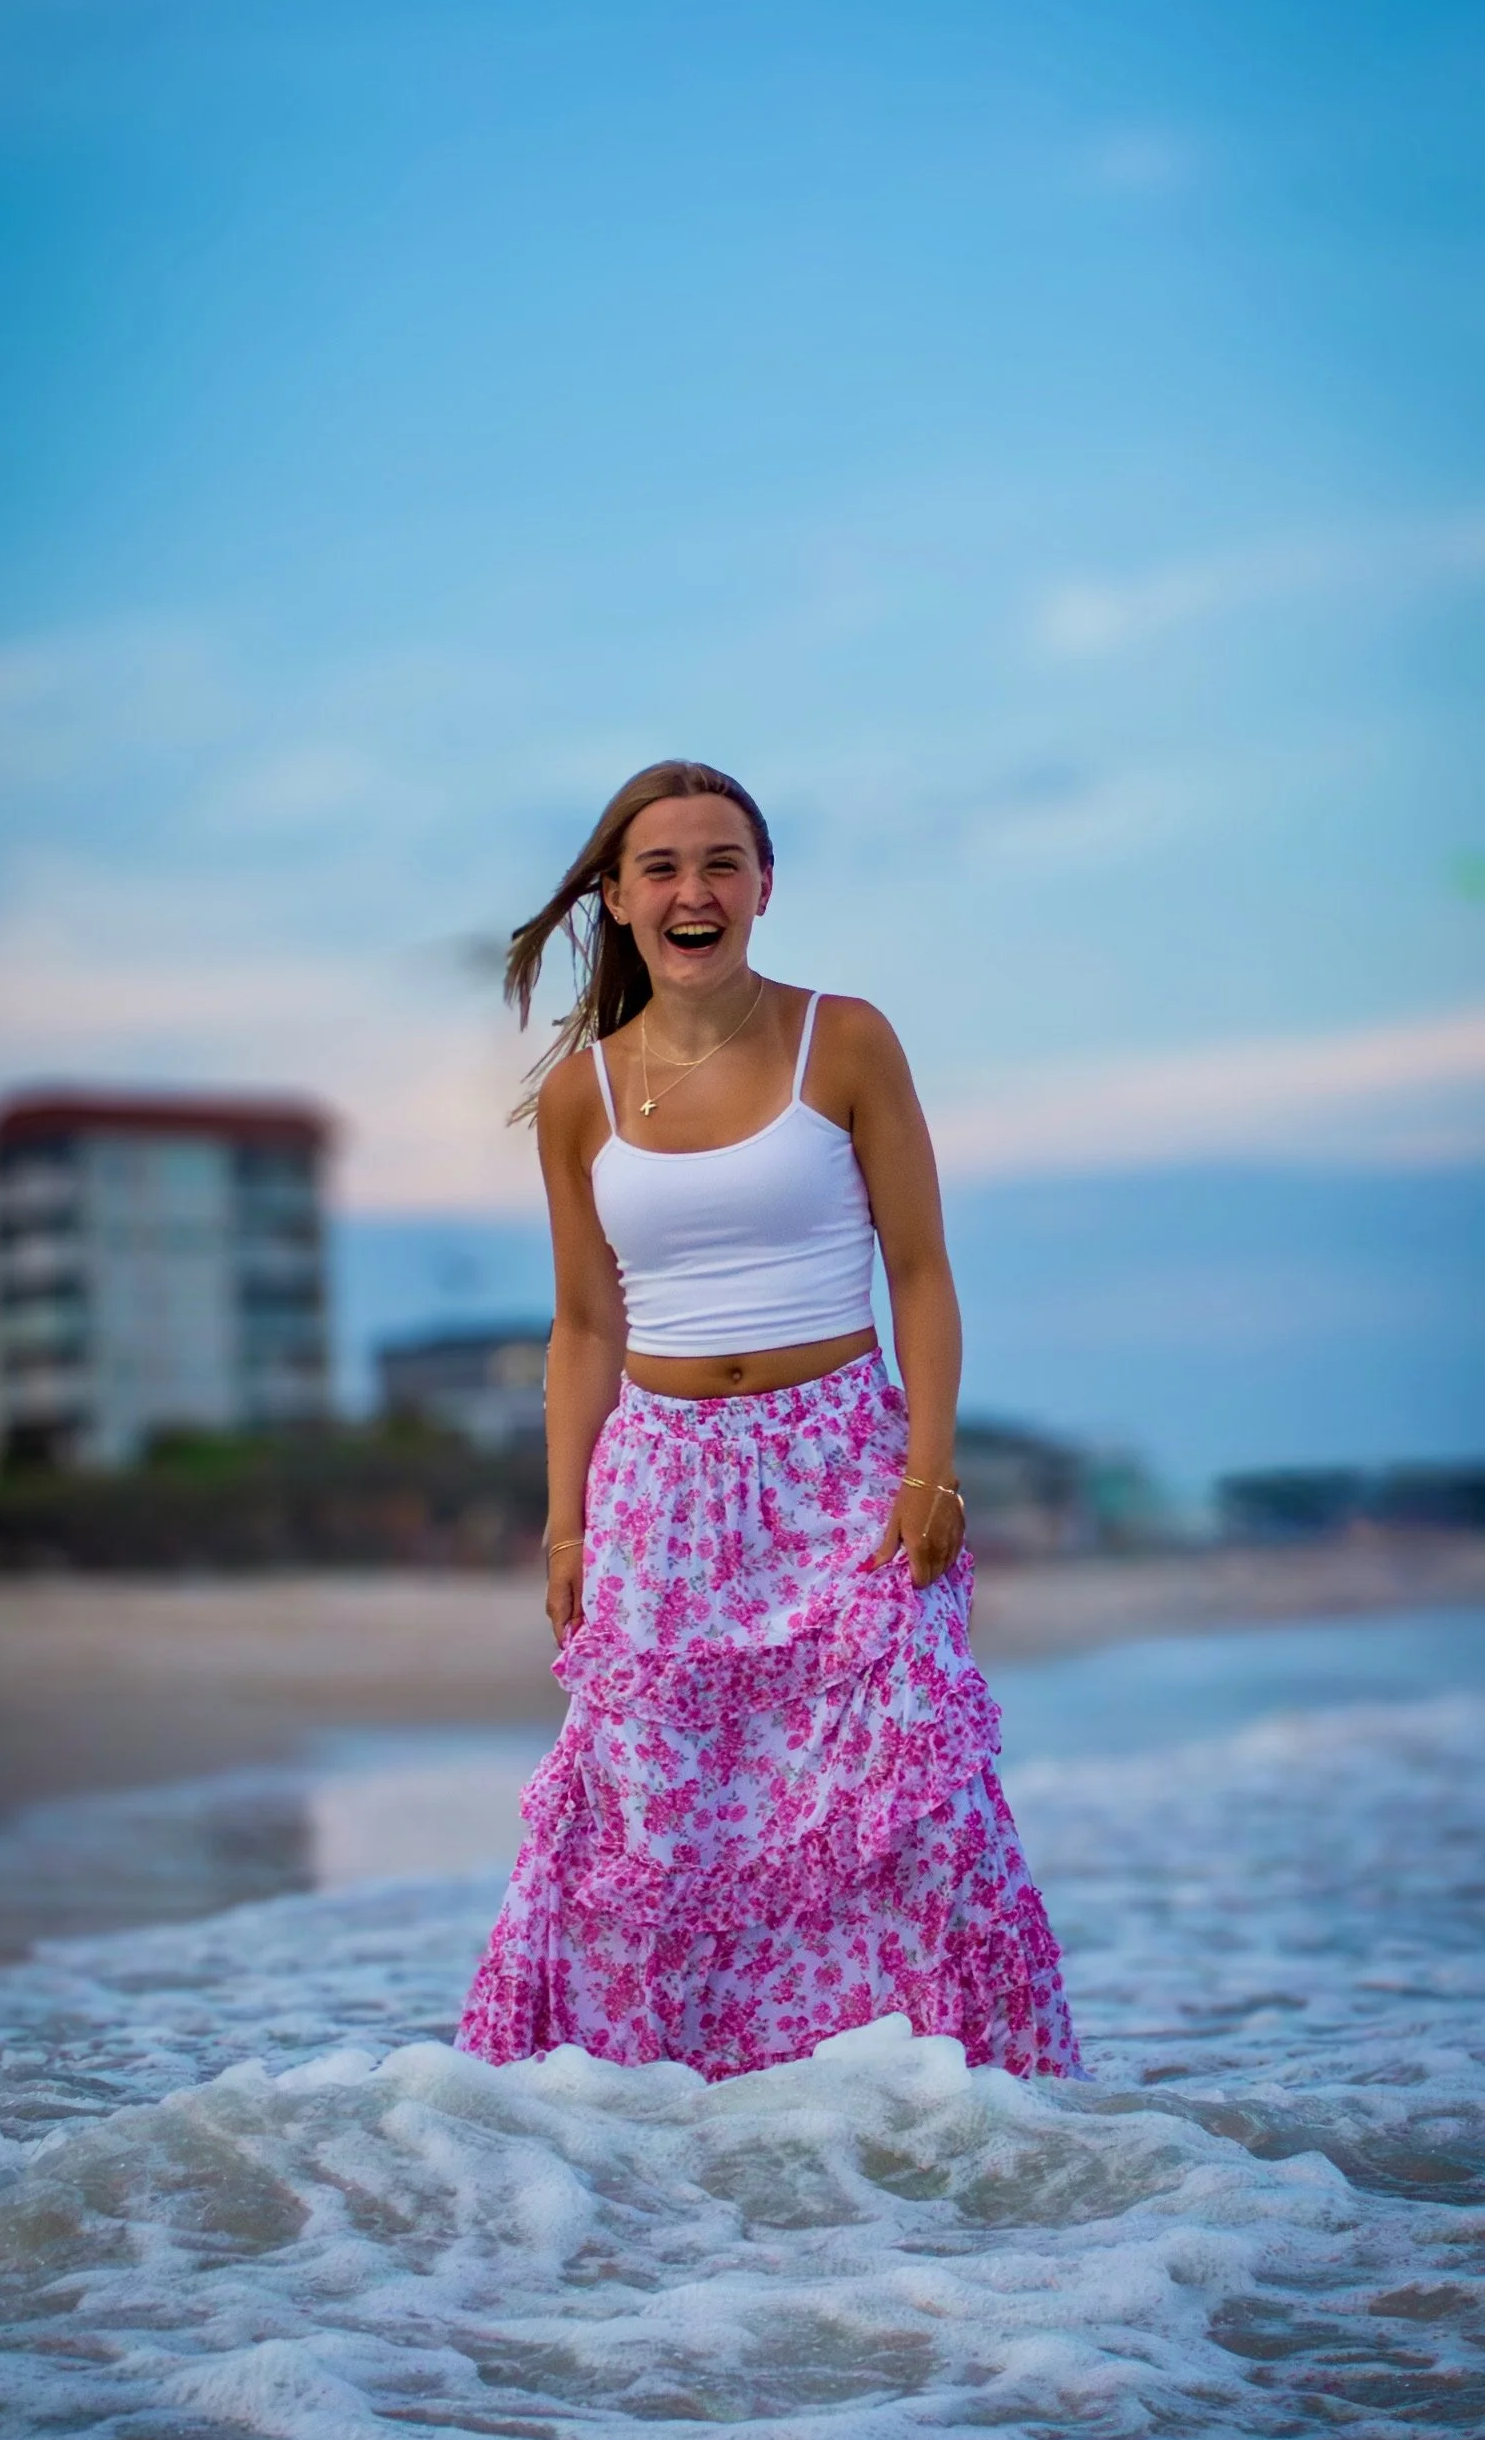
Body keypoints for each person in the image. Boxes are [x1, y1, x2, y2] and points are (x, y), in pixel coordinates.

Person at [458, 758, 1081, 2082]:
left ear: (765, 887)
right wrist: (566, 1525)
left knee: (909, 1808)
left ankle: (950, 2113)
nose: (695, 891)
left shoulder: (842, 1038)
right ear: (618, 901)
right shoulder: (582, 1094)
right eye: (664, 869)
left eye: (721, 863)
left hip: (842, 1463)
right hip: (659, 1487)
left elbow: (919, 1269)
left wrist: (932, 1470)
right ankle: (666, 2128)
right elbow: (584, 1326)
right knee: (659, 1825)